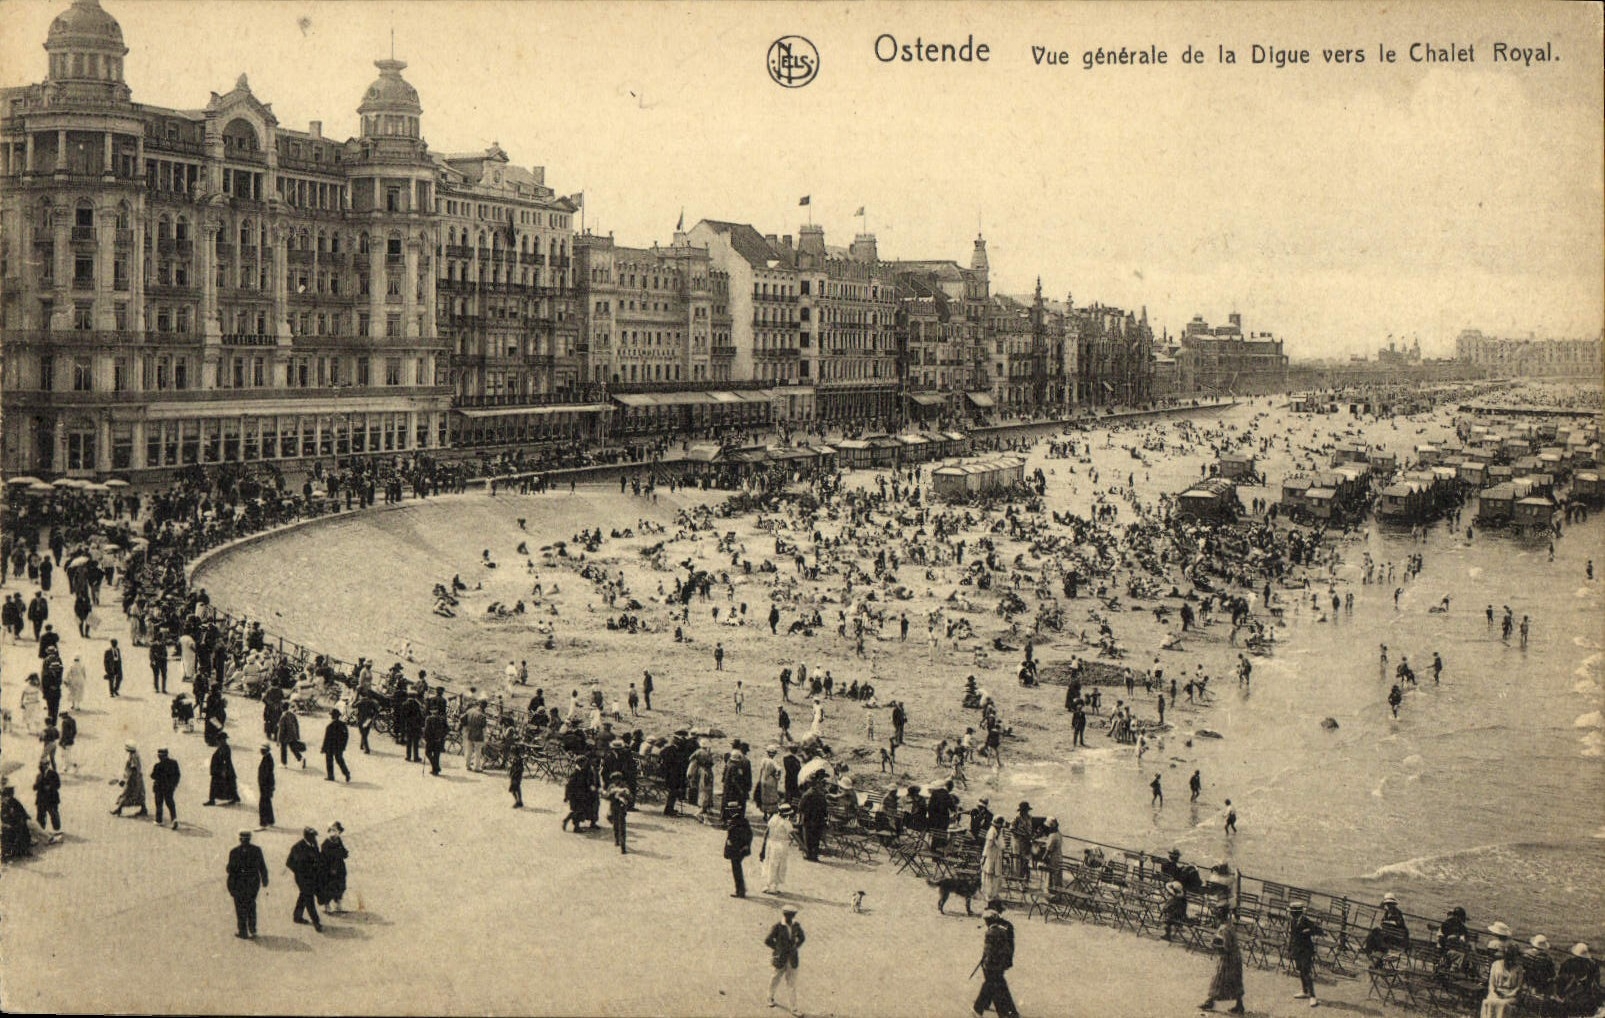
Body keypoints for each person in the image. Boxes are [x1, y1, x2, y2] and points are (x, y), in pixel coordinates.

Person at [974, 902, 1019, 1018]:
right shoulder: (1005, 925)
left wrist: (986, 961)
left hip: (994, 963)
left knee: (995, 986)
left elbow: (993, 948)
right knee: (995, 984)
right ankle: (982, 1007)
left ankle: (982, 1008)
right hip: (1000, 962)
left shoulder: (995, 929)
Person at [1200, 903, 1247, 1013]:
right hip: (1235, 958)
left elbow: (1226, 947)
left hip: (1228, 959)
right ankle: (1239, 1005)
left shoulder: (1224, 928)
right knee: (1234, 981)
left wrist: (1213, 945)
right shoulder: (1229, 925)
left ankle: (1210, 1001)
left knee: (1218, 979)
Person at [226, 829, 270, 939]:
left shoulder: (234, 852)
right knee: (251, 905)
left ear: (240, 839)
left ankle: (243, 931)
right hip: (252, 884)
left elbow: (230, 870)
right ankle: (252, 928)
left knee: (240, 908)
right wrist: (265, 880)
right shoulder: (256, 850)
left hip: (239, 884)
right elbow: (262, 866)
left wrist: (231, 887)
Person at [764, 906, 805, 1016]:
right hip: (780, 958)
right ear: (784, 915)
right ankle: (770, 997)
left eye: (792, 915)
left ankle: (794, 1008)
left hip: (792, 958)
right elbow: (767, 940)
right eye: (788, 915)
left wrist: (796, 946)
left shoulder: (796, 925)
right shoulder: (778, 926)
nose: (790, 918)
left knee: (791, 983)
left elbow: (802, 938)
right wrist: (778, 949)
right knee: (775, 978)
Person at [286, 826, 325, 931]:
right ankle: (316, 922)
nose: (315, 838)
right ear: (307, 837)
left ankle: (297, 916)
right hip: (303, 879)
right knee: (309, 899)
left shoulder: (314, 844)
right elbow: (289, 863)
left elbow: (317, 857)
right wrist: (299, 872)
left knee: (304, 895)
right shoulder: (297, 847)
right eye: (313, 836)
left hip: (313, 877)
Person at [1287, 900, 1325, 1005]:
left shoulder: (1306, 921)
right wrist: (1290, 947)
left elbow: (1319, 931)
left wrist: (1308, 931)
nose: (1291, 914)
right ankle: (1304, 991)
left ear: (1297, 912)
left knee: (1306, 972)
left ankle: (1313, 996)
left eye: (1292, 912)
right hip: (1297, 949)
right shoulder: (1293, 921)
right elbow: (1292, 935)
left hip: (1306, 950)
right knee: (1301, 971)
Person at [1482, 942, 1524, 1018]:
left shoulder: (1519, 968)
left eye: (1511, 957)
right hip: (1496, 992)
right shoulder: (1495, 964)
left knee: (1503, 1004)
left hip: (1511, 995)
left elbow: (1518, 987)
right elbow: (1491, 983)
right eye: (1507, 956)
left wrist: (1508, 995)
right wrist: (1493, 992)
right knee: (1489, 1001)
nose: (1508, 959)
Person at [761, 803, 796, 894]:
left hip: (771, 843)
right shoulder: (786, 823)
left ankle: (767, 885)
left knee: (769, 863)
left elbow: (766, 832)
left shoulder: (773, 818)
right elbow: (793, 834)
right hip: (781, 845)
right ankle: (773, 887)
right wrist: (804, 847)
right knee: (778, 865)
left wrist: (764, 844)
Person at [318, 823, 349, 913]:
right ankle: (327, 906)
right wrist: (340, 853)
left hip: (339, 868)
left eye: (337, 831)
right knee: (329, 887)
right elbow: (328, 857)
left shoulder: (338, 840)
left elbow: (343, 852)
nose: (335, 833)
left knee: (340, 886)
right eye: (333, 831)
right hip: (329, 870)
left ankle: (338, 905)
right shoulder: (326, 843)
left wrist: (343, 853)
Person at [111, 743, 148, 817]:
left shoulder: (133, 756)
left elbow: (133, 769)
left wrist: (126, 780)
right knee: (139, 794)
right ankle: (144, 809)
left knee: (126, 793)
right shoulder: (135, 754)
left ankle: (119, 809)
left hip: (133, 779)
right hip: (138, 778)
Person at [797, 774, 828, 862]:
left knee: (808, 837)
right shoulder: (821, 794)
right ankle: (814, 855)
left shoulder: (807, 794)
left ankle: (809, 854)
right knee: (816, 838)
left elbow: (800, 806)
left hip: (808, 819)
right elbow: (825, 807)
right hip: (819, 819)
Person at [205, 733, 240, 806]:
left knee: (219, 784)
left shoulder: (225, 748)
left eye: (219, 740)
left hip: (222, 770)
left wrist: (223, 771)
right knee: (229, 784)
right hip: (220, 770)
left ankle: (212, 800)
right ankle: (234, 797)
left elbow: (225, 760)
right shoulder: (222, 747)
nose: (218, 741)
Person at [725, 807, 753, 897]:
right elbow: (750, 834)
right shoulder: (744, 821)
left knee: (736, 870)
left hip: (735, 850)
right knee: (738, 869)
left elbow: (732, 837)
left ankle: (740, 891)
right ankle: (741, 889)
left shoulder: (734, 822)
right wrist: (746, 845)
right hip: (742, 849)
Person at [32, 759, 62, 842]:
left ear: (47, 765)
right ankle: (41, 831)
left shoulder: (53, 774)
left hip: (51, 798)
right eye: (41, 764)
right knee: (40, 815)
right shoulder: (39, 775)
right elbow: (35, 787)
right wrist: (37, 785)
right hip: (41, 799)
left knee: (53, 814)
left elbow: (58, 785)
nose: (42, 766)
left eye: (44, 764)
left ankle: (57, 830)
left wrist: (50, 787)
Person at [151, 747, 180, 829]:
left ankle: (159, 820)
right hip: (169, 787)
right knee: (170, 803)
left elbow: (153, 776)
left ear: (159, 756)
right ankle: (174, 819)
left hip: (159, 787)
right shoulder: (174, 763)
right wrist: (174, 784)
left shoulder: (158, 766)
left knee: (159, 803)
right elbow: (178, 774)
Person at [1, 783, 31, 861]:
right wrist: (5, 825)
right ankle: (5, 853)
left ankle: (23, 850)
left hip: (14, 824)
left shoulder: (13, 801)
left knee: (23, 828)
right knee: (7, 833)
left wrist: (23, 819)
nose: (8, 798)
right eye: (6, 796)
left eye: (10, 795)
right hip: (4, 826)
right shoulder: (2, 805)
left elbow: (22, 811)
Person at [603, 771, 632, 854]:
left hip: (621, 809)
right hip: (613, 809)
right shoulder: (611, 786)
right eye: (614, 780)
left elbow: (629, 797)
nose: (615, 782)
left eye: (617, 780)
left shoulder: (625, 786)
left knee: (622, 827)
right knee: (615, 825)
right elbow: (606, 796)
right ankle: (617, 840)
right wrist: (612, 794)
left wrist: (623, 795)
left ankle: (623, 847)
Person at [980, 815, 1006, 903]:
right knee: (989, 874)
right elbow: (987, 846)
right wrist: (983, 857)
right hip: (990, 856)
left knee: (996, 875)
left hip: (997, 855)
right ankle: (988, 894)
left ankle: (994, 893)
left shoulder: (1000, 832)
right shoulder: (992, 831)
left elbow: (1002, 845)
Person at [322, 709, 351, 783]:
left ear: (332, 716)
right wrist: (344, 745)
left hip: (330, 746)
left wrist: (323, 748)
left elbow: (326, 738)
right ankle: (346, 773)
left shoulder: (330, 725)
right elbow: (346, 736)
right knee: (340, 760)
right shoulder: (343, 725)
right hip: (339, 746)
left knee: (329, 760)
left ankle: (330, 776)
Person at [461, 700, 488, 772]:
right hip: (478, 735)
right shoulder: (482, 715)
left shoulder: (470, 711)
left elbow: (462, 719)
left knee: (469, 750)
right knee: (477, 751)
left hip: (469, 732)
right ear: (484, 707)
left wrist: (466, 726)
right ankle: (476, 767)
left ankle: (467, 765)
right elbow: (483, 726)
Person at [257, 744, 276, 830]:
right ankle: (270, 820)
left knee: (263, 804)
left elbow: (266, 775)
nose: (260, 751)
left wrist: (266, 786)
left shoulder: (267, 760)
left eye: (262, 749)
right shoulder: (268, 758)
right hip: (267, 785)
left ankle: (263, 823)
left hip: (265, 786)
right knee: (267, 802)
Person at [507, 744, 525, 809]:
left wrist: (514, 774)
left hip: (516, 777)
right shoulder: (515, 759)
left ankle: (518, 801)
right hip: (514, 776)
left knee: (514, 789)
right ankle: (519, 801)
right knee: (515, 789)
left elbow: (520, 769)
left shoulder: (518, 760)